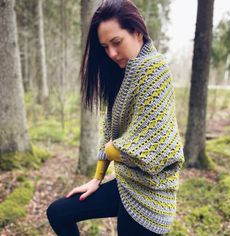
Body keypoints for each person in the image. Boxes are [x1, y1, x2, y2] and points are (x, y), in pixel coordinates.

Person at [46, 0, 185, 235]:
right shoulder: (124, 72)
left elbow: (154, 147)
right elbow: (111, 132)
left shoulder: (154, 70)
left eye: (117, 42)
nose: (111, 53)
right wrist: (97, 178)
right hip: (126, 185)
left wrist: (111, 149)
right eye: (105, 47)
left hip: (152, 196)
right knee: (59, 212)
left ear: (138, 32)